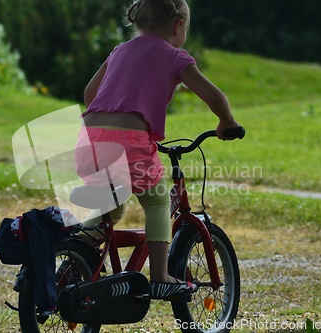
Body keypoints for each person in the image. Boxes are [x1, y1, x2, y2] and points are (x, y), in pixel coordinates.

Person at [74, 0, 241, 300]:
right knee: (157, 202)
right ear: (178, 26)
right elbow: (214, 96)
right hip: (130, 142)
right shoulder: (175, 56)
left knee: (111, 207)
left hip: (90, 138)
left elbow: (89, 94)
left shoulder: (119, 51)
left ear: (137, 21)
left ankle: (76, 253)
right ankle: (161, 276)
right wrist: (226, 123)